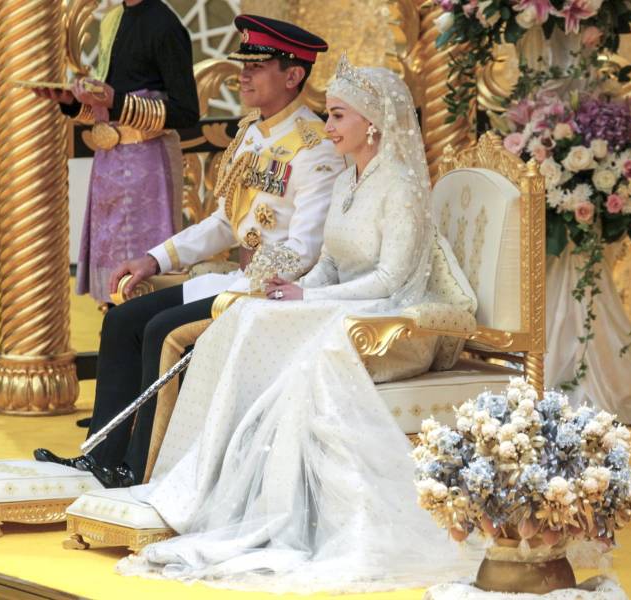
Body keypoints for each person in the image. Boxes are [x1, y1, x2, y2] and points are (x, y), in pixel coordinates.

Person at [114, 57, 480, 593]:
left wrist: (310, 295)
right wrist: (293, 292)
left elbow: (390, 278)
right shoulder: (351, 178)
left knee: (282, 340)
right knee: (249, 319)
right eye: (328, 115)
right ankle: (200, 483)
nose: (327, 126)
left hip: (393, 323)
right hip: (344, 305)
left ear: (372, 122)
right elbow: (331, 258)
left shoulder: (398, 185)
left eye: (337, 116)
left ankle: (274, 505)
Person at [34, 15, 344, 487]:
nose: (243, 74)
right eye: (243, 64)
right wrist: (153, 259)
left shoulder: (314, 146)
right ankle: (101, 454)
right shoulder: (251, 135)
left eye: (257, 66)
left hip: (270, 293)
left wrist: (251, 284)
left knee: (162, 330)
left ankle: (140, 470)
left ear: (293, 75)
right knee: (121, 320)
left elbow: (304, 249)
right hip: (234, 280)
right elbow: (224, 223)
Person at [34, 0, 199, 304]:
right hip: (109, 163)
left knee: (147, 275)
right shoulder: (111, 20)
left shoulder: (166, 26)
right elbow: (107, 101)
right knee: (111, 276)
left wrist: (117, 101)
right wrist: (70, 101)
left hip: (148, 161)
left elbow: (185, 113)